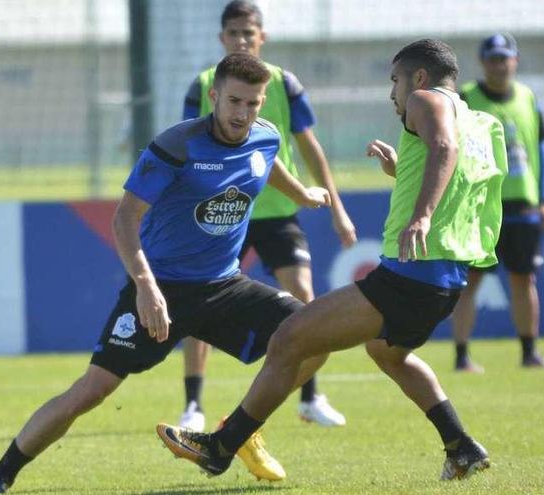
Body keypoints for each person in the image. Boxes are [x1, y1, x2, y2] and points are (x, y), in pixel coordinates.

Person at [0, 53, 333, 493]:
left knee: (315, 336)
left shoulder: (265, 136)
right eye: (235, 101)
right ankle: (1, 473)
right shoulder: (177, 145)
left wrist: (303, 193)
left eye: (253, 104)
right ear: (214, 95)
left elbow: (268, 162)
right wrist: (146, 287)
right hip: (160, 286)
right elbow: (124, 219)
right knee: (92, 391)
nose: (243, 114)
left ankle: (231, 435)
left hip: (225, 284)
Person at [158, 39, 506, 481]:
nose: (393, 93)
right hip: (446, 276)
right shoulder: (477, 120)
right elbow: (456, 172)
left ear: (418, 78)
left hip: (413, 272)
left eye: (394, 81)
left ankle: (221, 447)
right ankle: (461, 447)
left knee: (289, 337)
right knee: (388, 353)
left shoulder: (424, 99)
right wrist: (404, 168)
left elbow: (442, 150)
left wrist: (420, 215)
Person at [178, 0, 355, 433]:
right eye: (234, 33)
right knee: (200, 307)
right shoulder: (203, 84)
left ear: (263, 36)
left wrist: (338, 209)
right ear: (223, 39)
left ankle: (310, 397)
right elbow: (187, 147)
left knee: (304, 297)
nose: (242, 39)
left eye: (249, 32)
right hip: (221, 213)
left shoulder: (284, 83)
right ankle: (194, 406)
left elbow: (309, 146)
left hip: (277, 210)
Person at [451, 33, 544, 373]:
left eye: (505, 58)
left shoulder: (528, 98)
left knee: (523, 279)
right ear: (483, 62)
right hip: (480, 205)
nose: (500, 65)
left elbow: (542, 151)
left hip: (523, 205)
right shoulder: (465, 97)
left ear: (515, 60)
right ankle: (462, 356)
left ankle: (529, 352)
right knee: (471, 282)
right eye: (494, 59)